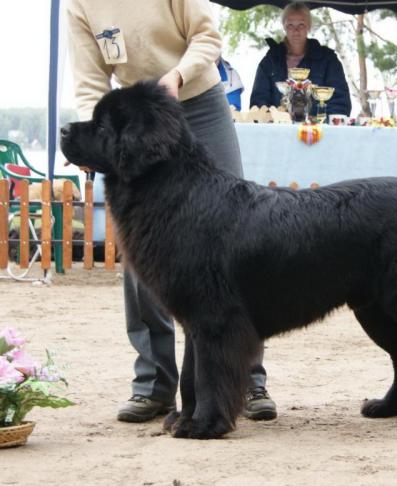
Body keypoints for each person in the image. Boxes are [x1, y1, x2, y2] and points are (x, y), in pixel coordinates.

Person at [65, 0, 277, 423]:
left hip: (196, 98)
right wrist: (95, 138)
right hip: (134, 117)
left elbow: (207, 37)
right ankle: (154, 384)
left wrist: (177, 76)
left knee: (237, 239)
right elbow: (91, 81)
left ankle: (248, 380)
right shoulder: (79, 5)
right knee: (144, 251)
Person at [250, 1, 351, 116]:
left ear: (309, 26)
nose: (296, 31)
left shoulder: (328, 59)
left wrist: (325, 127)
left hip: (318, 132)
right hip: (277, 131)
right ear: (284, 27)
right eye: (290, 25)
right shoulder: (270, 61)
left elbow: (340, 102)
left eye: (301, 25)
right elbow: (258, 103)